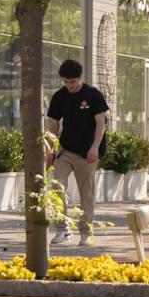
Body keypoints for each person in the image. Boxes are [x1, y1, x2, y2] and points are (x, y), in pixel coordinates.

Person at [45, 59, 108, 246]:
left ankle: (86, 232)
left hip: (87, 152)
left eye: (72, 82)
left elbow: (101, 123)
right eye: (66, 82)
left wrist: (95, 148)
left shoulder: (93, 94)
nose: (69, 85)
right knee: (57, 187)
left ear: (79, 78)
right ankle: (62, 229)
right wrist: (50, 150)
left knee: (86, 193)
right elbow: (53, 125)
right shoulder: (59, 97)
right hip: (65, 150)